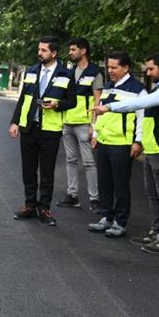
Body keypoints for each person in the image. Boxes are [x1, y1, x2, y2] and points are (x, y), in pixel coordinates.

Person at [91, 52, 159, 251]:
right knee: (152, 194)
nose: (148, 73)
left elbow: (140, 106)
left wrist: (111, 109)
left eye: (151, 69)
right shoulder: (158, 87)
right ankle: (155, 231)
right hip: (150, 147)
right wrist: (97, 132)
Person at [9, 37, 76, 226]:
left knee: (47, 171)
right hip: (29, 127)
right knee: (28, 170)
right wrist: (15, 122)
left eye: (44, 50)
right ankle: (29, 204)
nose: (40, 53)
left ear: (54, 53)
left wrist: (57, 104)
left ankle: (44, 208)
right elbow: (23, 98)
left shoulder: (66, 74)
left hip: (50, 130)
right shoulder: (31, 71)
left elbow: (73, 102)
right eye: (39, 49)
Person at [87, 51, 146, 238]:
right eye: (108, 67)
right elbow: (99, 111)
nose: (110, 71)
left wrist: (138, 141)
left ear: (126, 68)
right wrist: (95, 133)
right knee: (104, 183)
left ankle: (120, 222)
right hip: (104, 142)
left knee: (120, 184)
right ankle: (106, 217)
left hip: (122, 143)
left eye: (114, 67)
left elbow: (142, 118)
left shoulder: (137, 89)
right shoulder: (108, 86)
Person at [58, 38, 104, 212]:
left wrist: (94, 124)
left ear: (83, 51)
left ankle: (94, 198)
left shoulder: (94, 72)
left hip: (84, 124)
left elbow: (97, 100)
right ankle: (72, 195)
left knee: (89, 162)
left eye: (73, 49)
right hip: (67, 122)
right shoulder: (69, 72)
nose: (70, 52)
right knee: (70, 160)